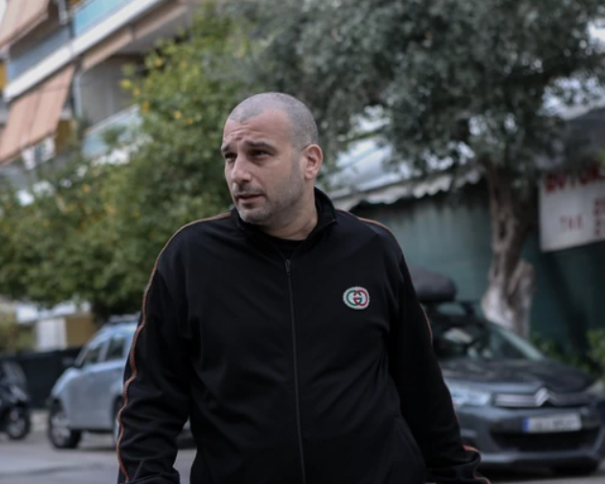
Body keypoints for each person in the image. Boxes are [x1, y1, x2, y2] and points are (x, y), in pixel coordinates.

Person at [116, 92, 487, 484]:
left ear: (310, 161)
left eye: (258, 154)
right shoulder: (190, 258)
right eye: (230, 156)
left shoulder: (372, 249)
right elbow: (149, 405)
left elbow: (423, 389)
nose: (238, 173)